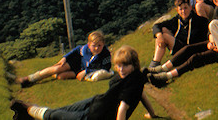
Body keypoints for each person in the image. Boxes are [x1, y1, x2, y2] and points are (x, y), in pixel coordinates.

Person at [10, 45, 158, 120]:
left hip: (95, 115)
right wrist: (152, 114)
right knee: (64, 110)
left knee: (57, 115)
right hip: (96, 103)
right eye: (118, 65)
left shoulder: (133, 81)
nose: (121, 69)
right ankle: (28, 111)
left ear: (134, 64)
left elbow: (123, 109)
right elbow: (141, 95)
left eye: (125, 65)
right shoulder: (137, 77)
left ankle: (27, 108)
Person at [146, 0, 218, 86]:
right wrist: (211, 40)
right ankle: (162, 68)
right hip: (216, 45)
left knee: (196, 58)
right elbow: (211, 30)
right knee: (188, 49)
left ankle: (167, 76)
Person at [16, 31, 112, 88]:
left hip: (81, 69)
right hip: (76, 61)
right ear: (89, 44)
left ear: (103, 44)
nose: (96, 48)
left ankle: (49, 73)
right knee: (57, 69)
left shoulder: (105, 54)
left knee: (60, 76)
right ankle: (30, 79)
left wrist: (86, 71)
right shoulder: (85, 49)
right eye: (94, 46)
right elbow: (77, 49)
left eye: (99, 45)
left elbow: (106, 68)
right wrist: (64, 58)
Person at [148, 0, 209, 68]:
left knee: (164, 36)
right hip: (180, 48)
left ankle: (154, 66)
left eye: (185, 8)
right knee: (162, 31)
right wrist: (159, 35)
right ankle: (155, 63)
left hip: (191, 51)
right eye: (181, 9)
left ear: (190, 8)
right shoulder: (176, 20)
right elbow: (156, 26)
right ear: (177, 10)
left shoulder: (201, 21)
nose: (183, 11)